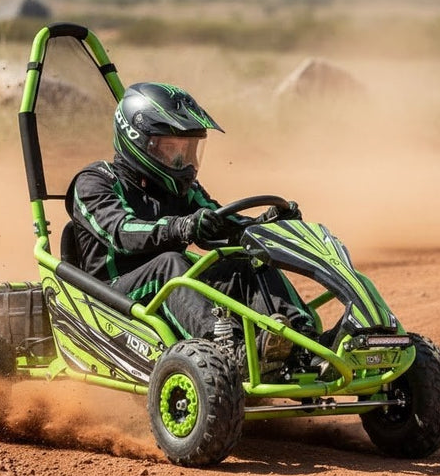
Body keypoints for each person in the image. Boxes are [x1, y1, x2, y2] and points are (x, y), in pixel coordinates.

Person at [66, 81, 315, 367]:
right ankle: (229, 350)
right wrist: (181, 227)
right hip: (109, 298)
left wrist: (263, 225)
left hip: (166, 289)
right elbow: (122, 233)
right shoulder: (95, 181)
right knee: (169, 263)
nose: (182, 161)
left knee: (247, 261)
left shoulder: (180, 188)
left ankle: (302, 342)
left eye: (188, 149)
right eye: (170, 148)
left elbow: (219, 223)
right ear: (137, 140)